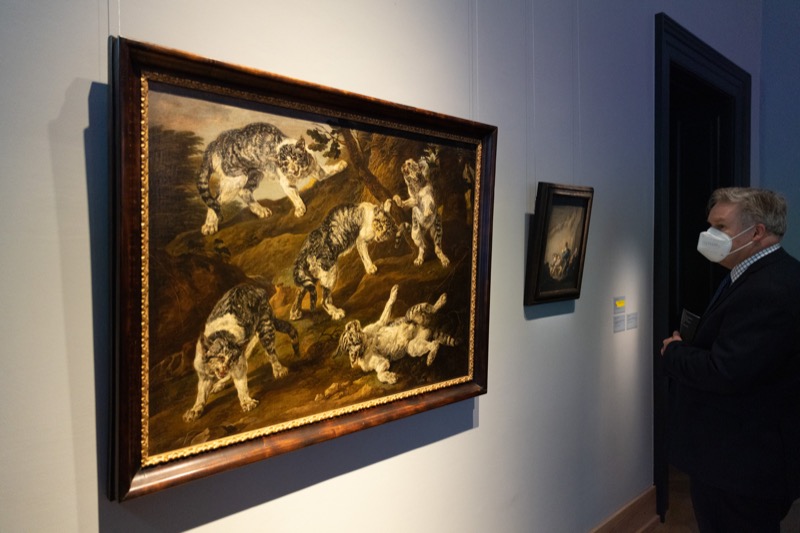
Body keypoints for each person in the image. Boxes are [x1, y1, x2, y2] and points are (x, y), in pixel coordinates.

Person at [660, 187, 800, 532]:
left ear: (757, 232)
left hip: (740, 463)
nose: (709, 235)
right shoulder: (760, 274)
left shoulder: (769, 287)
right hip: (738, 458)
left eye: (720, 227)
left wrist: (674, 353)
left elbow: (726, 371)